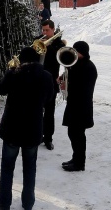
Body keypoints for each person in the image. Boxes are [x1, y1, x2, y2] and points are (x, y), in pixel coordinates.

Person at [0, 47, 53, 210]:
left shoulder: (14, 74)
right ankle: (28, 204)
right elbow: (49, 99)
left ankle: (4, 205)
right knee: (30, 169)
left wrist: (8, 72)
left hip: (12, 129)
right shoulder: (46, 76)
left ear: (21, 59)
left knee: (7, 169)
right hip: (32, 129)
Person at [62, 41, 97, 172]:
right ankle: (75, 158)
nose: (74, 54)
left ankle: (79, 163)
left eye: (77, 51)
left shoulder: (88, 67)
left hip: (82, 107)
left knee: (78, 135)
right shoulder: (77, 64)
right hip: (74, 105)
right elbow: (70, 75)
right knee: (73, 133)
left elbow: (83, 89)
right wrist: (63, 78)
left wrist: (68, 86)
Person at [40, 20, 66, 150]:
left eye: (47, 30)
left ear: (53, 29)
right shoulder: (38, 40)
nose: (44, 33)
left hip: (50, 82)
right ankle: (37, 135)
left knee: (49, 113)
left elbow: (60, 60)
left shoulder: (58, 44)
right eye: (43, 30)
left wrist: (48, 46)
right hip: (37, 82)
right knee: (37, 112)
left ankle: (48, 138)